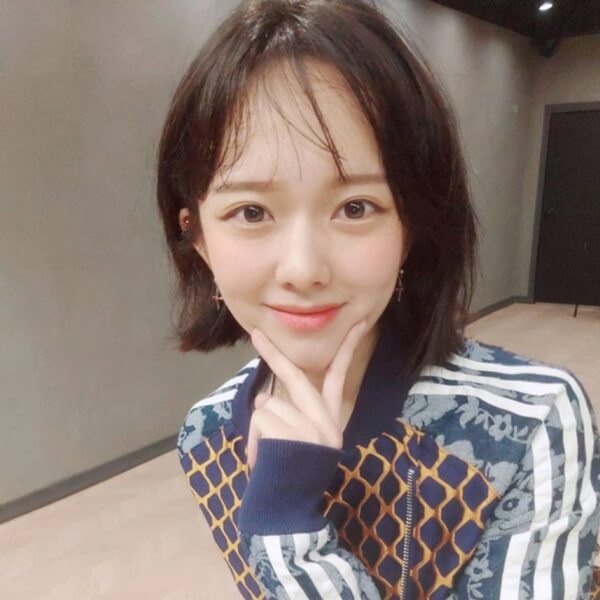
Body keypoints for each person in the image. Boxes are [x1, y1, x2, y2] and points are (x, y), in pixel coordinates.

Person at [156, 0, 600, 597]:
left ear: (410, 226)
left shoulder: (528, 423)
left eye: (355, 207)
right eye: (252, 212)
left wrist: (286, 526)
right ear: (199, 239)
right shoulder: (207, 434)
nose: (304, 269)